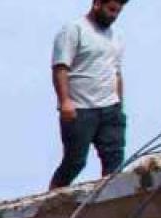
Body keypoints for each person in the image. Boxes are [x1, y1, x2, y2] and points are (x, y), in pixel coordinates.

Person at [50, 0, 127, 190]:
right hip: (80, 109)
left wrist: (119, 104)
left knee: (114, 160)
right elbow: (60, 67)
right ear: (97, 4)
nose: (114, 16)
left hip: (110, 107)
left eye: (118, 12)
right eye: (111, 10)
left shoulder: (115, 36)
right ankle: (52, 198)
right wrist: (64, 101)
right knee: (75, 161)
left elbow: (116, 72)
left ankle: (110, 199)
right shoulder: (74, 29)